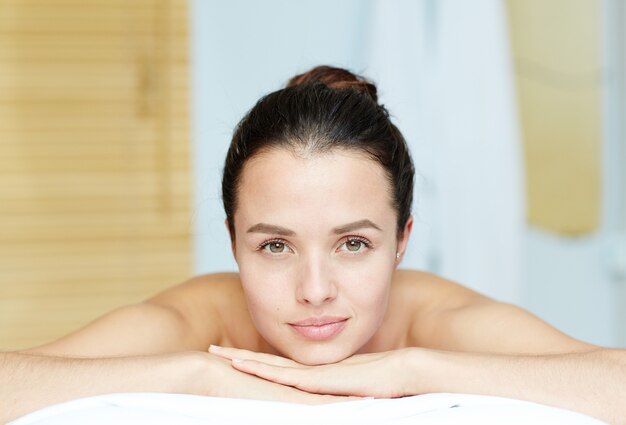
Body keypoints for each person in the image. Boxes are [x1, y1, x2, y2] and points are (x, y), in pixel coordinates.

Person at [1, 66, 624, 424]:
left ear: (402, 240)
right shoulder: (202, 320)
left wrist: (412, 369)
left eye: (353, 243)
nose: (316, 290)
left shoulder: (437, 320)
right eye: (275, 247)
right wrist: (198, 376)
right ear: (233, 242)